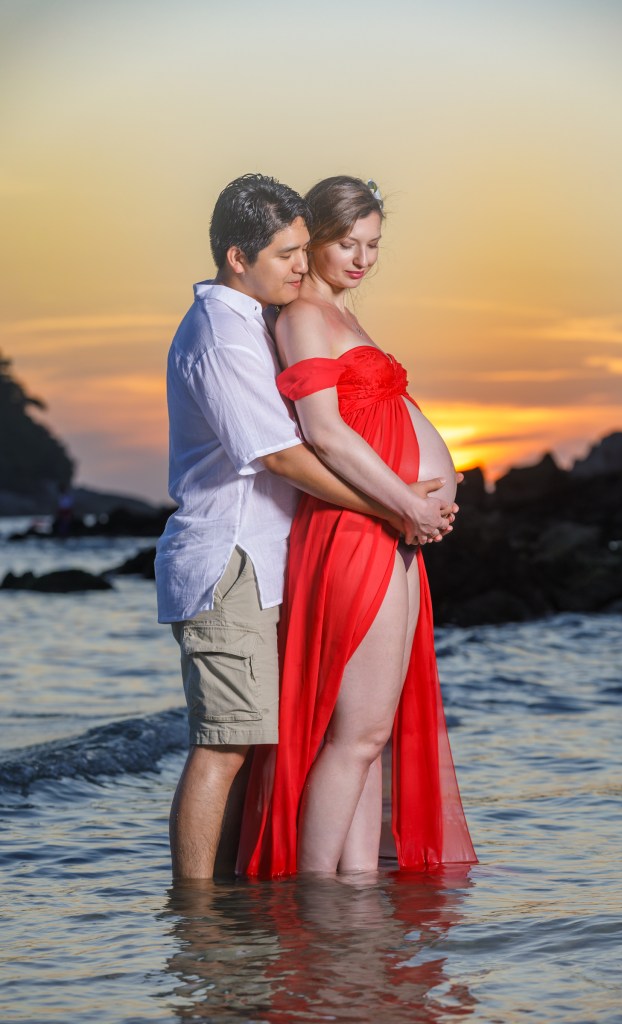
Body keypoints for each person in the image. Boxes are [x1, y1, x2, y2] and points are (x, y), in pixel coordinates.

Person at [155, 174, 455, 880]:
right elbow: (286, 452)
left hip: (276, 553)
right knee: (227, 742)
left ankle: (254, 898)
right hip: (231, 556)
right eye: (289, 253)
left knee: (268, 738)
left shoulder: (258, 323)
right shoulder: (223, 337)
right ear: (239, 257)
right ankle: (199, 912)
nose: (300, 265)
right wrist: (396, 506)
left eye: (302, 250)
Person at [238, 176, 478, 877]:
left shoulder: (340, 314)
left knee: (371, 735)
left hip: (389, 530)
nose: (362, 258)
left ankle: (357, 889)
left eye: (373, 245)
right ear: (312, 240)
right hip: (355, 530)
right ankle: (316, 895)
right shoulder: (302, 318)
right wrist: (407, 501)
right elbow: (325, 433)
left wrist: (423, 495)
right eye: (347, 243)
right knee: (356, 734)